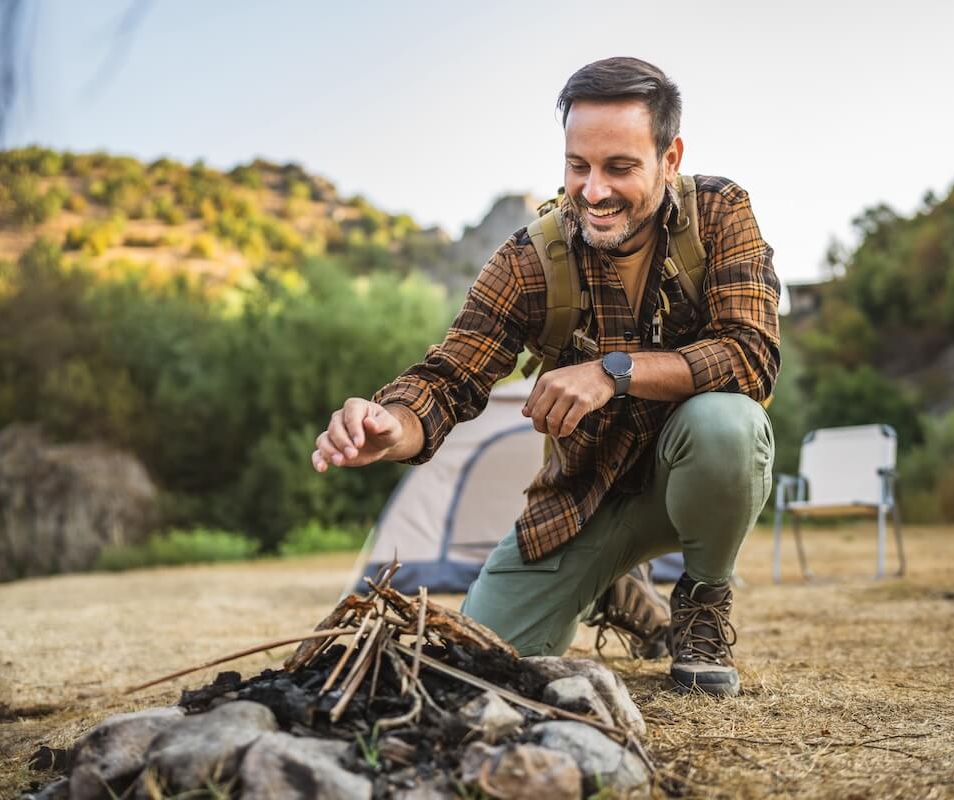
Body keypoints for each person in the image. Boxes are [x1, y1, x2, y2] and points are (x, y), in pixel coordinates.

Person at [311, 57, 780, 696]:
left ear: (669, 158)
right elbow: (451, 376)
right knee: (474, 673)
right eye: (577, 166)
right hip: (581, 499)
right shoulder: (531, 259)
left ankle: (701, 597)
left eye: (619, 167)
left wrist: (615, 372)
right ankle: (612, 583)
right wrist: (394, 425)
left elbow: (751, 356)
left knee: (728, 421)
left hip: (695, 478)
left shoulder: (721, 212)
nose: (593, 191)